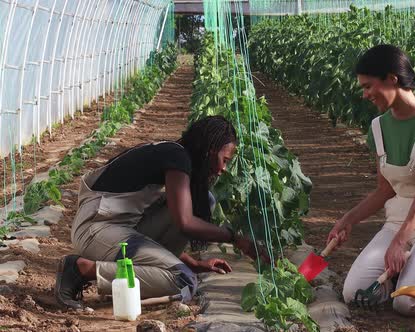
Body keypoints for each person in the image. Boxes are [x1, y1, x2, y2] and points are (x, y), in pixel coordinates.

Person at [55, 115, 270, 310]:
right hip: (96, 230)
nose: (223, 169)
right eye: (225, 160)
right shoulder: (177, 157)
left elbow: (174, 222)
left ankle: (131, 274)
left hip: (121, 229)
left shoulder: (176, 154)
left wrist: (194, 264)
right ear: (210, 149)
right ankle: (81, 269)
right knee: (182, 280)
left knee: (203, 200)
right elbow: (185, 222)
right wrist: (235, 238)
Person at [327, 45, 415, 316]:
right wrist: (348, 220)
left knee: (407, 303)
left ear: (392, 79)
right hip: (398, 222)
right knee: (353, 292)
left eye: (368, 86)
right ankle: (410, 271)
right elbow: (384, 190)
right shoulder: (379, 127)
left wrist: (400, 242)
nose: (365, 95)